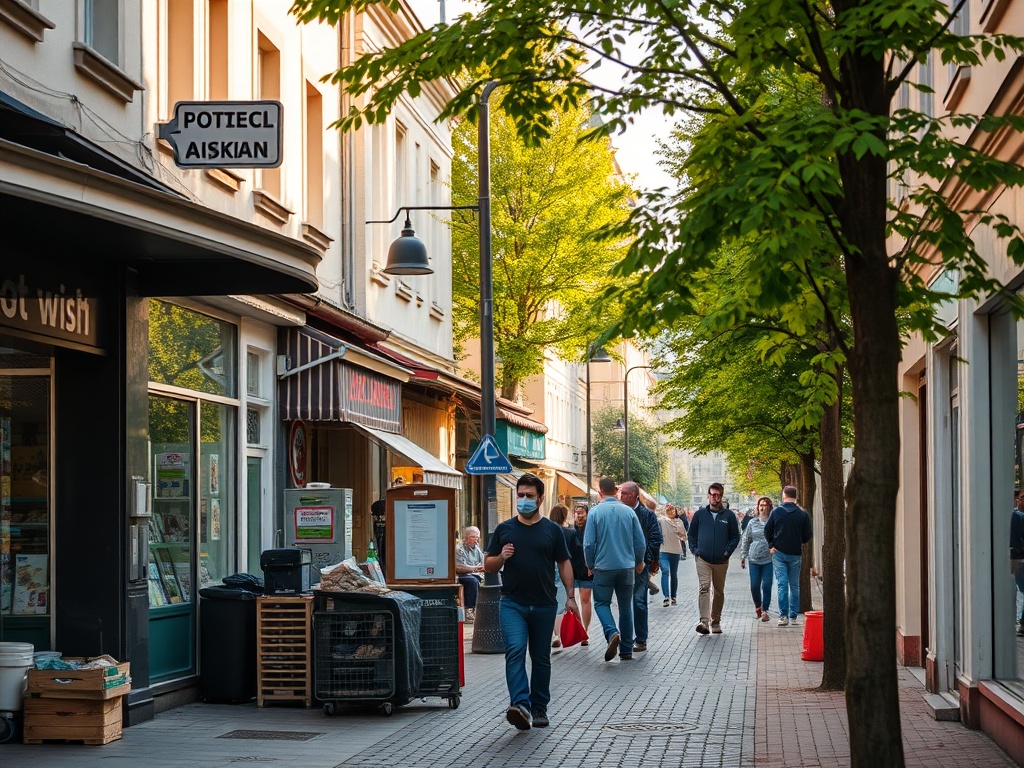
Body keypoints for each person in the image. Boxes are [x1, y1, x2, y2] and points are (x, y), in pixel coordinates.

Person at [485, 473, 579, 730]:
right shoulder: (505, 530)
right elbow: (488, 565)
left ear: (539, 500)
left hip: (544, 603)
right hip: (512, 603)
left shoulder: (552, 531)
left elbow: (564, 562)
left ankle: (539, 708)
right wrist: (502, 557)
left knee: (540, 658)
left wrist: (571, 598)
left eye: (529, 496)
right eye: (520, 495)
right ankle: (520, 705)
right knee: (515, 650)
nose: (523, 500)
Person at [583, 477, 646, 662]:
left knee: (601, 604)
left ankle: (611, 632)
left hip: (603, 567)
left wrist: (590, 564)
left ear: (600, 490)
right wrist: (639, 561)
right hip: (626, 567)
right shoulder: (628, 512)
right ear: (616, 491)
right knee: (626, 608)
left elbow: (588, 544)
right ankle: (626, 650)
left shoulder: (594, 513)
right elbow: (640, 542)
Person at [687, 482, 741, 635]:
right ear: (708, 496)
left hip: (721, 561)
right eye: (712, 495)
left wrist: (727, 552)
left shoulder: (729, 516)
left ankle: (715, 620)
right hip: (702, 558)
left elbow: (735, 537)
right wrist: (695, 550)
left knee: (718, 591)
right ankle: (704, 622)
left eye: (718, 495)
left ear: (721, 497)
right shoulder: (700, 515)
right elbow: (691, 535)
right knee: (704, 588)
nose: (715, 498)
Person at [618, 482, 662, 653]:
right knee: (623, 602)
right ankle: (625, 638)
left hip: (639, 564)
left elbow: (655, 538)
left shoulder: (646, 514)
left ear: (635, 495)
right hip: (620, 563)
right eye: (621, 494)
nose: (622, 497)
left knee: (638, 601)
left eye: (626, 494)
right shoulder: (619, 512)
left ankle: (641, 639)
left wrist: (652, 559)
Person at [764, 485, 814, 627]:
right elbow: (808, 535)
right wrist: (800, 541)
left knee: (782, 584)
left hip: (778, 553)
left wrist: (771, 545)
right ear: (796, 496)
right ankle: (793, 616)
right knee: (794, 585)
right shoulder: (803, 514)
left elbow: (767, 530)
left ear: (783, 495)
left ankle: (783, 616)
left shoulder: (777, 512)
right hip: (795, 554)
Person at [549, 504, 584, 652]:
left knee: (547, 602)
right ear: (564, 516)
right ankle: (557, 636)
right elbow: (577, 553)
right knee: (560, 605)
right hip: (563, 568)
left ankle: (551, 635)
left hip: (546, 568)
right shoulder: (569, 532)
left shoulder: (545, 530)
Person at [739, 496, 774, 622]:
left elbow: (778, 537)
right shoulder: (752, 522)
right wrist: (743, 556)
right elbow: (746, 539)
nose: (762, 507)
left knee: (767, 585)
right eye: (760, 505)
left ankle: (765, 610)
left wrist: (775, 547)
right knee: (754, 586)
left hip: (768, 559)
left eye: (765, 505)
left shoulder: (772, 521)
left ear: (769, 507)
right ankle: (758, 606)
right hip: (754, 559)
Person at [571, 502, 595, 645]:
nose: (579, 515)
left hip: (586, 568)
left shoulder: (590, 529)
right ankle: (579, 628)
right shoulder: (570, 529)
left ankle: (585, 632)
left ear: (587, 514)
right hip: (572, 568)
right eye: (577, 512)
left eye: (582, 512)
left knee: (585, 599)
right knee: (571, 600)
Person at [657, 504, 686, 607]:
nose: (672, 513)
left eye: (673, 511)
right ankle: (666, 596)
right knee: (665, 571)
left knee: (674, 574)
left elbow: (684, 536)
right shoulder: (661, 521)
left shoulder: (679, 522)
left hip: (675, 550)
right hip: (663, 549)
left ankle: (673, 596)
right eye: (669, 511)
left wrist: (679, 533)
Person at [455, 526, 485, 623]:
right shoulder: (459, 549)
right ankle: (469, 610)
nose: (476, 540)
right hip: (461, 575)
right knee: (472, 581)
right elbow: (459, 567)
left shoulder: (477, 549)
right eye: (473, 537)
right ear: (466, 538)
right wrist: (475, 568)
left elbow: (482, 563)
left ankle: (481, 610)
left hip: (475, 574)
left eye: (477, 537)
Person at [1011, 490, 1024, 636]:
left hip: (1019, 556)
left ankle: (1021, 621)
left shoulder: (1017, 515)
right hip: (1019, 557)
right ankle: (1020, 621)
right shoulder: (1016, 516)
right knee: (1021, 589)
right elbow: (1015, 539)